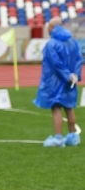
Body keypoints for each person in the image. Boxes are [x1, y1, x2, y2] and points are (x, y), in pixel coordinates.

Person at [34, 17, 83, 147]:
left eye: (49, 26)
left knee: (56, 108)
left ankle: (58, 138)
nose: (48, 29)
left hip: (56, 82)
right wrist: (75, 75)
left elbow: (56, 64)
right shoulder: (73, 42)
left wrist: (67, 76)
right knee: (69, 108)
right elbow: (79, 59)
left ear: (54, 28)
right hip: (70, 81)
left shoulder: (52, 44)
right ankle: (73, 136)